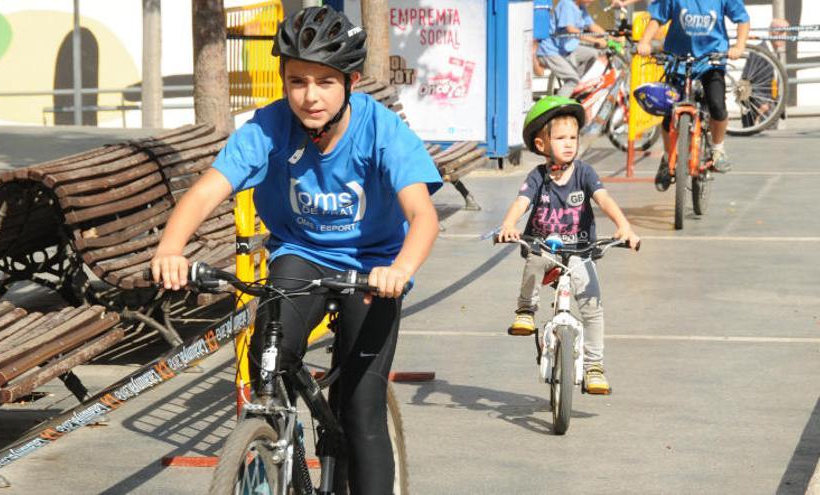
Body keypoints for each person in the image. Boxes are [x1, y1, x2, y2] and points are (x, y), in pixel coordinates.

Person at [150, 6, 442, 493]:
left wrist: (400, 269)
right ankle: (273, 437)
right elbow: (207, 190)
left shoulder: (383, 131)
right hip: (300, 255)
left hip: (372, 268)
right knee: (271, 357)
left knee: (360, 408)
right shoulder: (268, 128)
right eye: (297, 81)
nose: (310, 96)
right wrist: (170, 248)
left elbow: (422, 215)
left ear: (350, 81)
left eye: (325, 82)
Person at [496, 95, 640, 395]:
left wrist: (623, 225)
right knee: (534, 260)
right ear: (541, 145)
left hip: (581, 250)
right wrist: (509, 225)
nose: (569, 143)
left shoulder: (585, 173)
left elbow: (604, 199)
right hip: (545, 247)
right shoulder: (538, 177)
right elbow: (522, 202)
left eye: (573, 137)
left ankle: (594, 367)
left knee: (592, 306)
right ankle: (526, 309)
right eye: (560, 138)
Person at [637, 0, 750, 189]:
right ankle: (667, 158)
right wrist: (644, 42)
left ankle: (718, 149)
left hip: (711, 61)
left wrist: (739, 46)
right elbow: (657, 18)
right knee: (668, 114)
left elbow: (743, 19)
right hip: (678, 61)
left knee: (717, 106)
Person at [537, 0, 611, 98]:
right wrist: (595, 41)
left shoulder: (581, 7)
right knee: (572, 80)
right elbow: (570, 30)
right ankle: (558, 108)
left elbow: (592, 26)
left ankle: (573, 89)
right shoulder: (566, 4)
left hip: (565, 49)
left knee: (594, 54)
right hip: (550, 51)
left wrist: (612, 39)